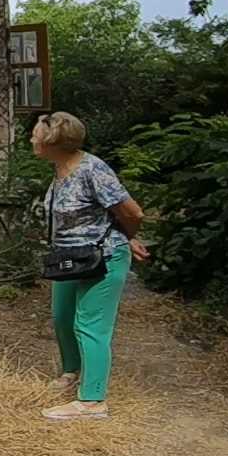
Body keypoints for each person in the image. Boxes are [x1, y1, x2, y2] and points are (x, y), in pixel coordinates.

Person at [30, 111, 148, 421]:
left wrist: (123, 238)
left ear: (53, 141)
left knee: (90, 325)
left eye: (35, 135)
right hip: (70, 258)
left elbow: (133, 213)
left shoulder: (93, 169)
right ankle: (72, 372)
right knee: (62, 317)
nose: (31, 139)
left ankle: (92, 402)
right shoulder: (61, 167)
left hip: (102, 256)